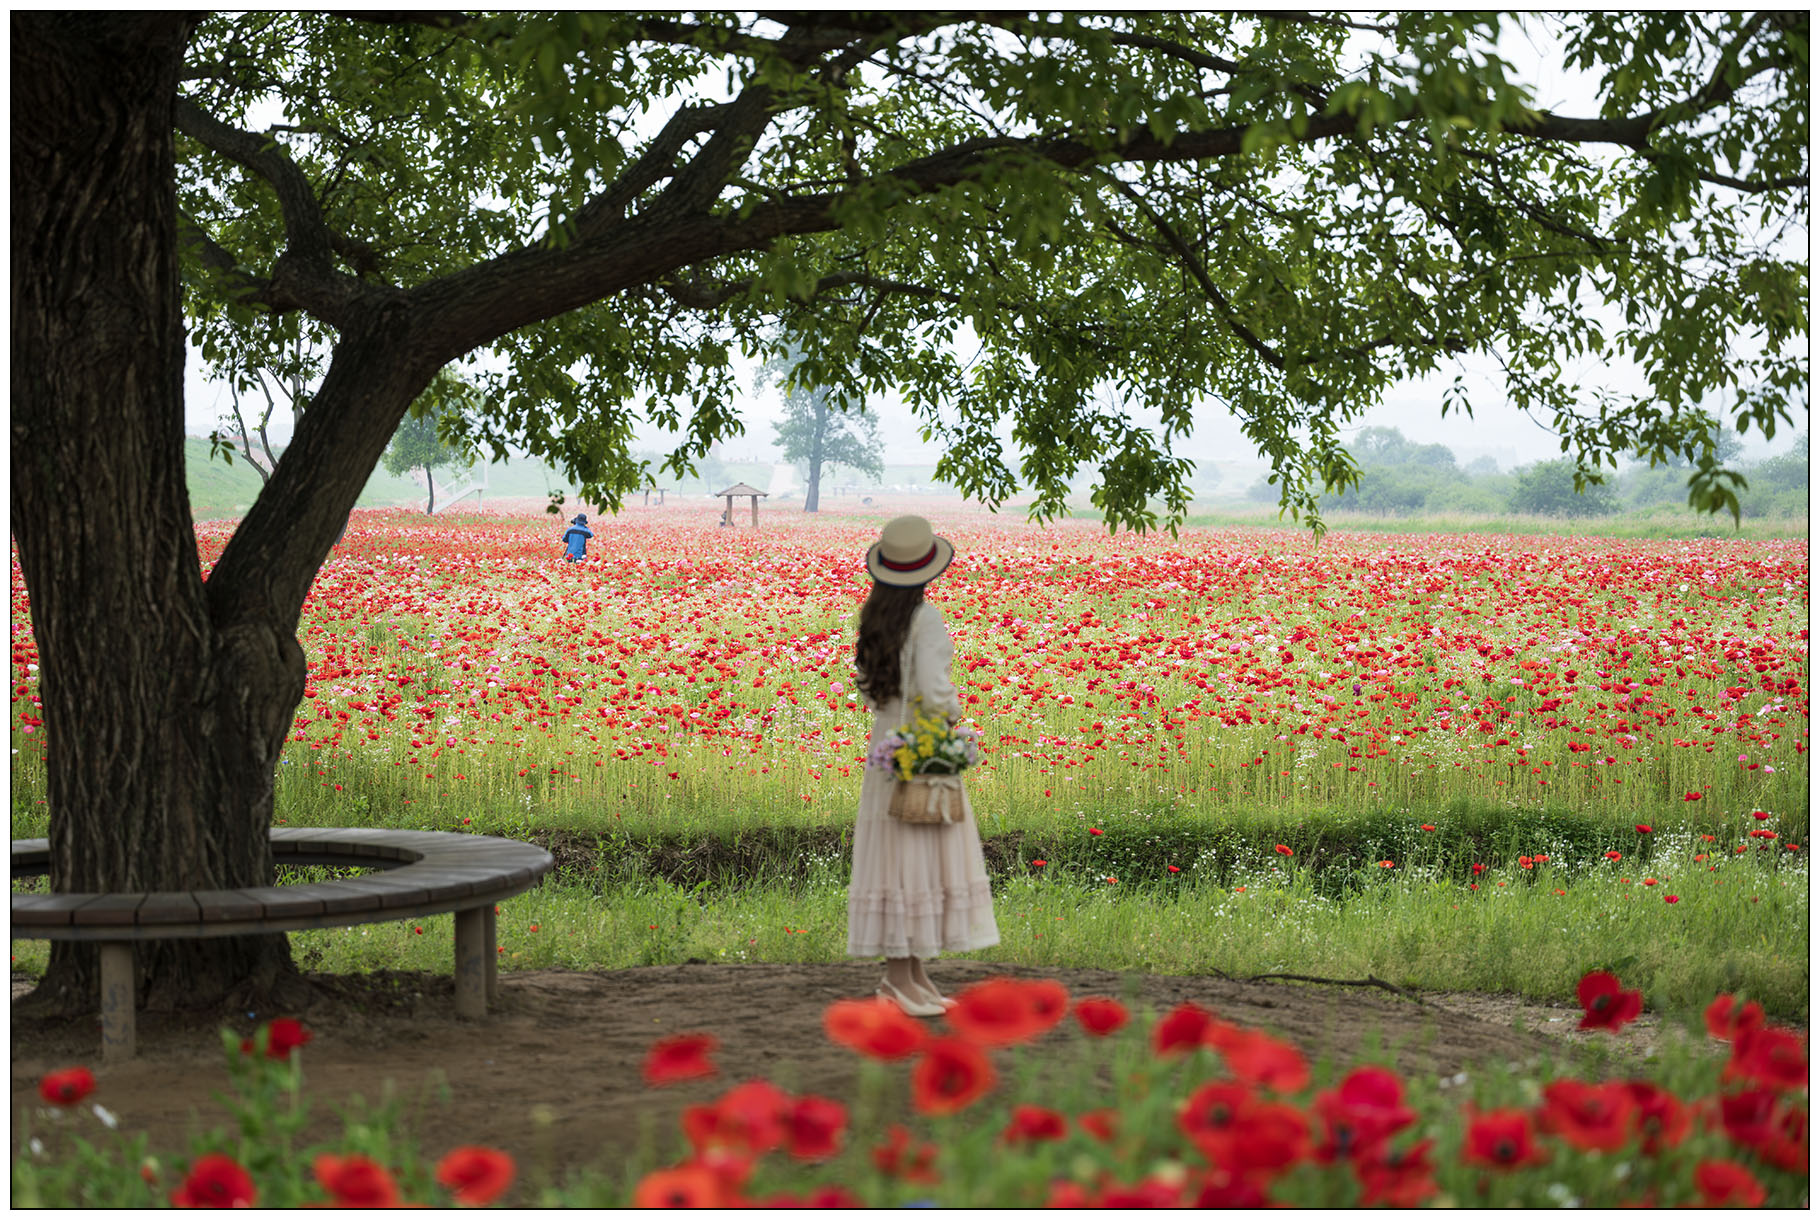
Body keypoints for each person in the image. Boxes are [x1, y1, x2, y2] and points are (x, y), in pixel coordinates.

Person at [848, 515, 998, 1017]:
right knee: (916, 863)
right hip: (921, 752)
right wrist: (954, 715)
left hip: (886, 751)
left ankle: (913, 976)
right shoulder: (925, 619)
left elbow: (873, 688)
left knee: (895, 860)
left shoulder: (874, 619)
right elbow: (936, 694)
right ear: (927, 570)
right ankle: (897, 980)